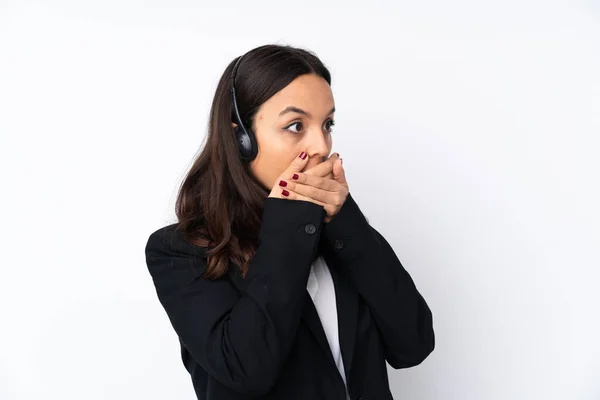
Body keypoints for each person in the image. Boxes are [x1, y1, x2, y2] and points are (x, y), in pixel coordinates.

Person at [144, 44, 435, 400]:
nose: (320, 146)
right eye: (296, 125)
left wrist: (348, 225)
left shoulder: (341, 234)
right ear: (241, 138)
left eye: (327, 124)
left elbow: (414, 344)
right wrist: (288, 227)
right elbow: (247, 369)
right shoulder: (180, 251)